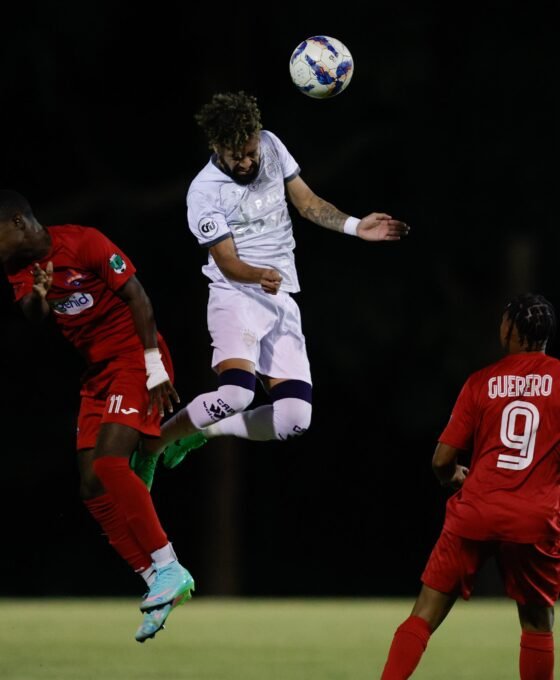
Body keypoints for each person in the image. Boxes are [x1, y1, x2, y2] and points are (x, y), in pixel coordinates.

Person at [131, 90, 411, 483]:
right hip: (236, 295)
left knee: (294, 420)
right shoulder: (205, 191)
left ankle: (203, 432)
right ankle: (153, 445)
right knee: (236, 395)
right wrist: (256, 274)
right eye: (236, 156)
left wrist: (354, 226)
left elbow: (307, 203)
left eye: (251, 152)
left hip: (280, 297)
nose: (247, 162)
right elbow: (226, 261)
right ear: (216, 147)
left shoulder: (271, 145)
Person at [0, 189, 194, 643]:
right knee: (90, 485)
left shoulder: (84, 242)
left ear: (17, 222)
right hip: (98, 373)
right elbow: (33, 314)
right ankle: (155, 582)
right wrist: (40, 296)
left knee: (110, 463)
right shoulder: (17, 267)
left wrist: (153, 367)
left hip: (134, 358)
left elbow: (139, 298)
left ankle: (169, 564)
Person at [380, 293, 560, 680]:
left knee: (423, 616)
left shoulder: (481, 382)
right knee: (537, 624)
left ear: (510, 330)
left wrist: (454, 478)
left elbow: (442, 460)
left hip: (477, 509)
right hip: (534, 517)